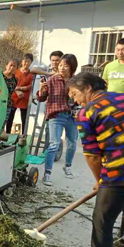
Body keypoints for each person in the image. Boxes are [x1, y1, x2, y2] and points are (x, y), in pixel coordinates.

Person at [67, 72, 124, 247]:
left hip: (118, 172)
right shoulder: (121, 97)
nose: (75, 100)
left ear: (89, 88)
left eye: (75, 94)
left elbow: (92, 155)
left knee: (103, 220)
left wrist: (101, 180)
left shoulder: (87, 112)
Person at [36, 54, 79, 186]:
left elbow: (81, 99)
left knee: (72, 142)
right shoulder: (52, 80)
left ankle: (68, 166)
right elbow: (41, 98)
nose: (62, 68)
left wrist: (75, 97)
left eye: (65, 66)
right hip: (56, 115)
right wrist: (41, 89)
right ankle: (47, 174)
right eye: (60, 65)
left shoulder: (76, 81)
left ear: (72, 67)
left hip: (72, 115)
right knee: (54, 144)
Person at [6, 53, 34, 134]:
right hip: (14, 96)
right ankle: (7, 133)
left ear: (31, 63)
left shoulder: (31, 73)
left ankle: (23, 135)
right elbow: (11, 82)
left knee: (24, 118)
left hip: (24, 97)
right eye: (25, 61)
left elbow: (31, 85)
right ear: (22, 61)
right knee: (10, 116)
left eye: (29, 62)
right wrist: (16, 90)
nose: (26, 63)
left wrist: (21, 88)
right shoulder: (16, 71)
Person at [2, 58, 19, 131]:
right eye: (10, 65)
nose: (12, 67)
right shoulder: (0, 76)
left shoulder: (15, 80)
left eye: (14, 66)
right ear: (6, 66)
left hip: (8, 104)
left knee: (3, 124)